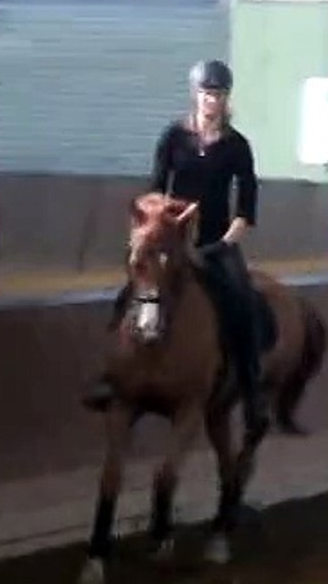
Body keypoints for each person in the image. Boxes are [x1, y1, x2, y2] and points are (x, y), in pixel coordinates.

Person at [83, 59, 269, 437]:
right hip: (171, 241)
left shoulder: (237, 147)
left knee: (242, 302)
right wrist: (156, 227)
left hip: (216, 242)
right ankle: (111, 376)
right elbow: (155, 188)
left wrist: (220, 245)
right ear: (195, 95)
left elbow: (245, 209)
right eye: (204, 94)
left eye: (216, 95)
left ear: (225, 99)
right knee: (133, 291)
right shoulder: (173, 138)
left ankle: (250, 394)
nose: (209, 101)